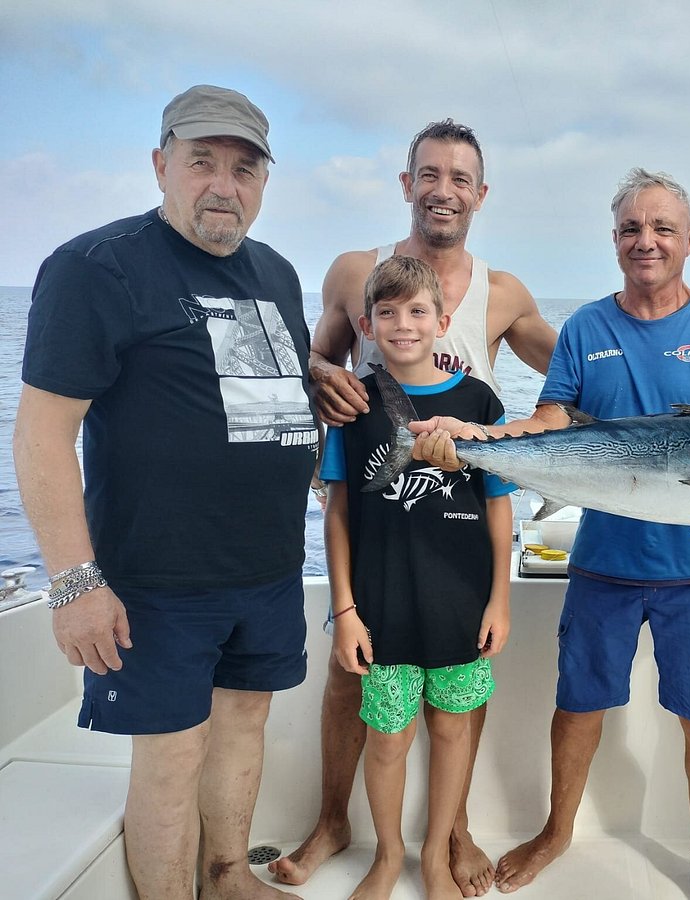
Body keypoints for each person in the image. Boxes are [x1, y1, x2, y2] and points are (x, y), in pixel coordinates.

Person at [412, 168, 690, 900]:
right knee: (579, 705)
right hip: (606, 561)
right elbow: (552, 423)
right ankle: (558, 832)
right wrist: (476, 437)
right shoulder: (587, 326)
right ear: (614, 238)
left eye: (661, 229)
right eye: (630, 229)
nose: (645, 242)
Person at [12, 85, 316, 900]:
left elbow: (243, 391)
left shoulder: (277, 274)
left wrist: (314, 377)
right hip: (158, 579)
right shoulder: (96, 267)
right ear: (161, 165)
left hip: (268, 564)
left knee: (245, 725)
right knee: (173, 752)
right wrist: (75, 581)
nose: (225, 184)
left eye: (244, 168)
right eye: (202, 162)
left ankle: (227, 879)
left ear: (263, 181)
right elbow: (43, 435)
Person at [270, 119, 556, 895]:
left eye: (461, 178)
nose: (444, 190)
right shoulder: (356, 272)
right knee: (351, 682)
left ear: (481, 194)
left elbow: (572, 379)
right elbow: (311, 355)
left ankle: (451, 833)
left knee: (458, 696)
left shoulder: (504, 293)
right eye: (430, 174)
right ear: (406, 183)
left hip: (454, 537)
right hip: (372, 522)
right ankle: (337, 821)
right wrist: (317, 373)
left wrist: (503, 438)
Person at [322, 255, 515, 900]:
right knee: (386, 739)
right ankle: (387, 855)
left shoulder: (478, 401)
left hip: (460, 603)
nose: (403, 325)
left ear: (444, 320)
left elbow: (497, 504)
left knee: (453, 728)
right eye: (386, 313)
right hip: (381, 611)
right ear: (367, 326)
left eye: (417, 311)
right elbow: (340, 511)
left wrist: (500, 601)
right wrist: (345, 610)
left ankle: (436, 853)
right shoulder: (355, 406)